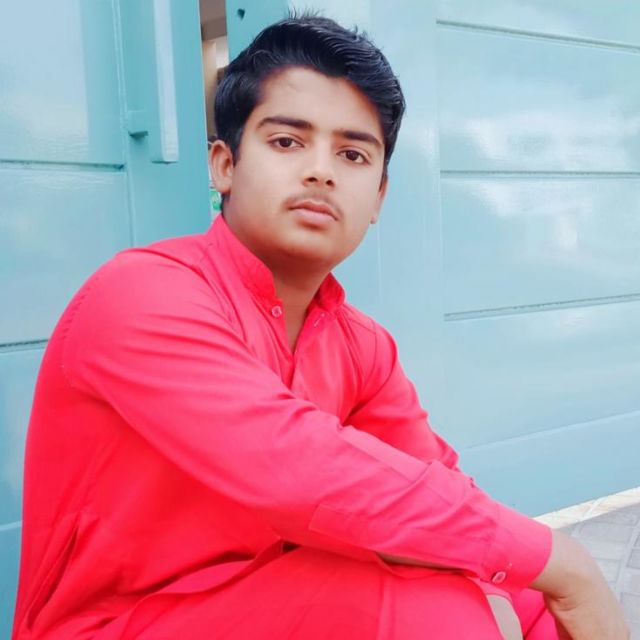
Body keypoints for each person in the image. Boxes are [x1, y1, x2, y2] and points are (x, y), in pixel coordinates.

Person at [12, 15, 628, 640]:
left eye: (352, 154)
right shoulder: (142, 294)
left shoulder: (362, 345)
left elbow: (433, 490)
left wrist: (517, 584)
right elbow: (296, 469)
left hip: (277, 602)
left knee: (521, 594)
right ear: (224, 165)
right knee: (433, 612)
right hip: (118, 623)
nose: (321, 172)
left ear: (379, 197)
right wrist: (567, 562)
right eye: (287, 142)